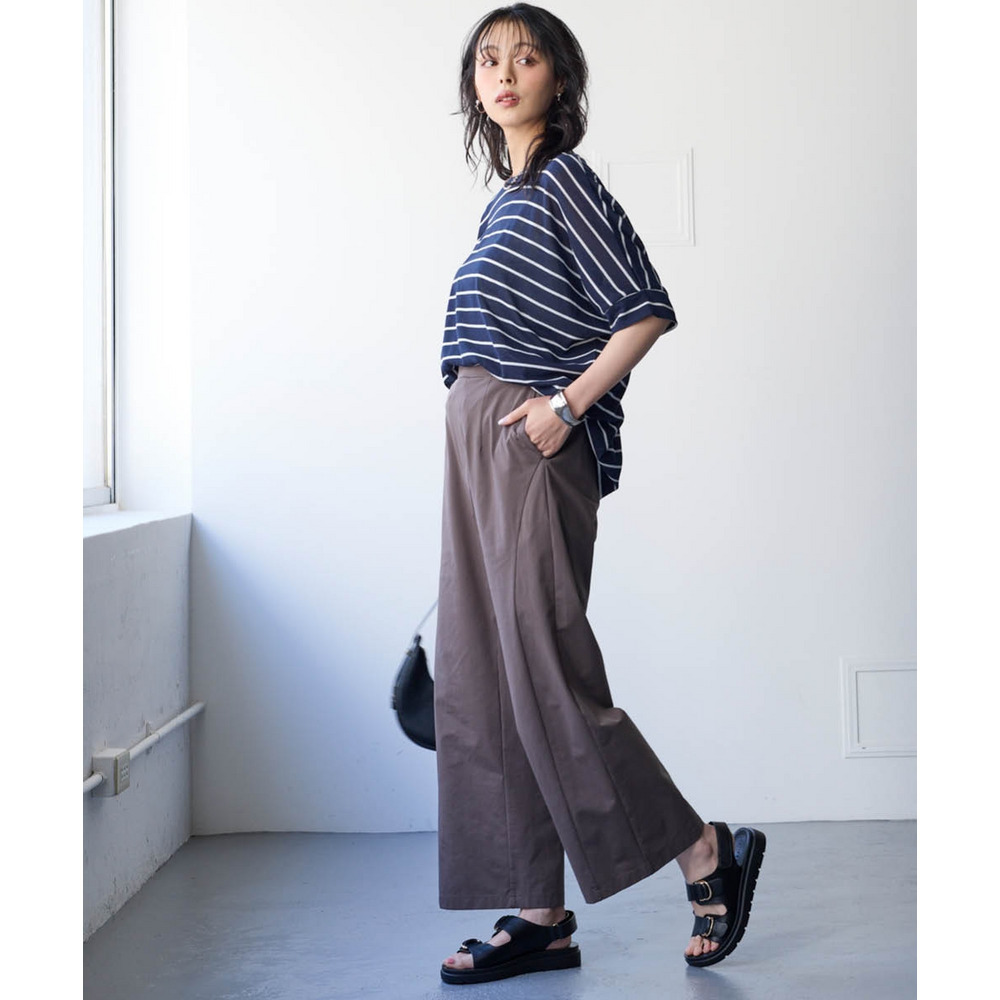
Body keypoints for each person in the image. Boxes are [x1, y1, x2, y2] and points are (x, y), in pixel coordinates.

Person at [433, 4, 766, 985]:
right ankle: (540, 913)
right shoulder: (505, 203)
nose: (504, 72)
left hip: (531, 449)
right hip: (479, 452)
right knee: (486, 677)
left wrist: (564, 409)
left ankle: (704, 849)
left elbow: (644, 309)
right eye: (487, 60)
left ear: (559, 80)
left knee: (545, 669)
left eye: (525, 56)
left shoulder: (563, 181)